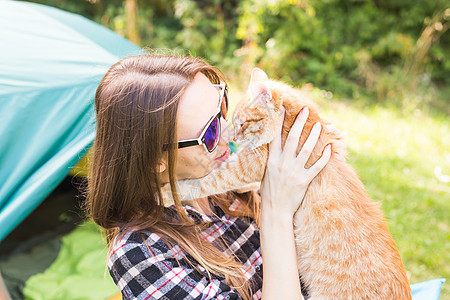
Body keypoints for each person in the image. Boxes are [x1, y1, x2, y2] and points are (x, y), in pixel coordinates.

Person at [87, 54, 336, 300]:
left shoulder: (224, 178)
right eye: (210, 132)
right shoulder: (141, 256)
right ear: (155, 161)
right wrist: (276, 211)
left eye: (222, 107)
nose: (231, 133)